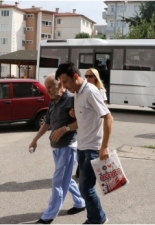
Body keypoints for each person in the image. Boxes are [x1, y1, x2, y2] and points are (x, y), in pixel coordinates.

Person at [55, 62, 113, 224]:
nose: (64, 87)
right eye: (62, 83)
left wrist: (105, 146)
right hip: (82, 146)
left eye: (66, 82)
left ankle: (98, 218)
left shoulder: (91, 92)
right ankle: (94, 217)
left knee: (85, 188)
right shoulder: (77, 93)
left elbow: (108, 118)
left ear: (75, 76)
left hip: (93, 148)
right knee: (86, 187)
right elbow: (82, 120)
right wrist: (68, 125)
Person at [28, 74, 86, 224]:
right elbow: (47, 123)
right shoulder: (53, 102)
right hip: (56, 148)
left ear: (60, 85)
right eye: (46, 87)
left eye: (49, 87)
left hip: (68, 147)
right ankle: (80, 203)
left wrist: (67, 127)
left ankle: (49, 216)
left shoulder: (72, 99)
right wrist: (35, 140)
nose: (46, 91)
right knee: (66, 178)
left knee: (58, 182)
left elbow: (82, 121)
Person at [73, 68, 107, 178]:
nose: (87, 78)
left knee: (86, 187)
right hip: (83, 138)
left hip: (93, 137)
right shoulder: (80, 91)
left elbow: (105, 113)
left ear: (96, 78)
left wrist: (105, 146)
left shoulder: (97, 91)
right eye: (86, 76)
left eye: (90, 76)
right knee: (85, 185)